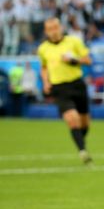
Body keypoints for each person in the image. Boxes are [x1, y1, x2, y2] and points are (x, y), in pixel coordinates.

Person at [38, 17, 93, 164]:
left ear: (61, 28)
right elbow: (43, 67)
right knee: (72, 118)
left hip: (77, 84)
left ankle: (81, 143)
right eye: (50, 29)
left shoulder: (73, 42)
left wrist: (73, 60)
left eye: (55, 28)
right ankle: (83, 152)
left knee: (85, 123)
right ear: (46, 31)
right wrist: (45, 82)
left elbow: (88, 60)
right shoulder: (43, 49)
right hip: (59, 88)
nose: (53, 32)